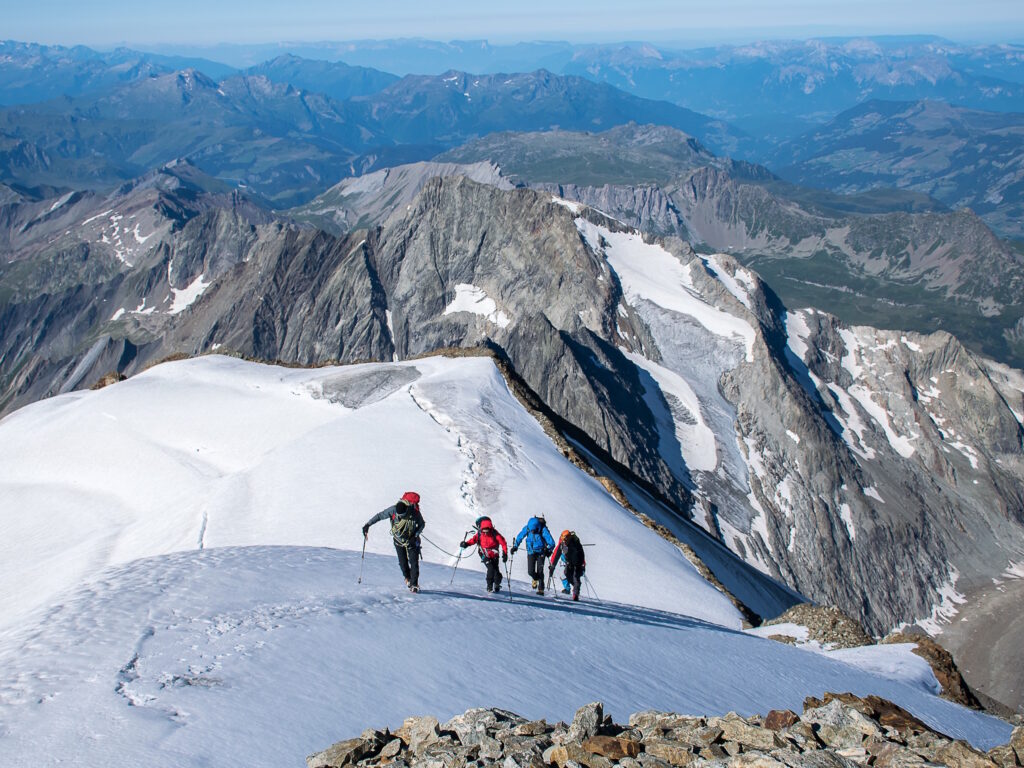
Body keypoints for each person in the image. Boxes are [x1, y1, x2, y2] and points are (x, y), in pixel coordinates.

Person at [362, 491, 425, 593]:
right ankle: (408, 579)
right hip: (398, 540)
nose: (400, 517)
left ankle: (414, 585)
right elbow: (380, 516)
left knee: (414, 563)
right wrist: (367, 525)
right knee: (403, 562)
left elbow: (422, 524)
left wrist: (416, 535)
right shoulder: (393, 510)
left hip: (412, 541)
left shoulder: (414, 512)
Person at [460, 516, 508, 593]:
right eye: (484, 531)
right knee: (490, 568)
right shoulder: (479, 534)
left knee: (497, 573)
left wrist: (505, 554)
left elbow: (503, 543)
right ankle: (489, 587)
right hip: (483, 554)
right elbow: (473, 540)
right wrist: (466, 544)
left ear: (490, 528)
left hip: (494, 556)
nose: (485, 533)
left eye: (487, 531)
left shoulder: (495, 534)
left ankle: (497, 584)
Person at [511, 514, 555, 595]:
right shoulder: (528, 528)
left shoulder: (543, 529)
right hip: (531, 552)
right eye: (531, 530)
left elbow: (552, 542)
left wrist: (549, 550)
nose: (532, 532)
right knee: (530, 571)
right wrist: (515, 546)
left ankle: (541, 589)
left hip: (541, 552)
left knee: (540, 570)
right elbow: (520, 536)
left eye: (534, 530)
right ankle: (535, 578)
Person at [549, 529, 585, 601]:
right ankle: (576, 587)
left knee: (575, 577)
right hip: (569, 563)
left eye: (565, 539)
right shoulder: (563, 544)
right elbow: (557, 555)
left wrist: (582, 565)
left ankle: (575, 594)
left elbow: (581, 555)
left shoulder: (576, 544)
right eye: (562, 539)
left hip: (577, 563)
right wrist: (553, 566)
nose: (564, 541)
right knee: (567, 575)